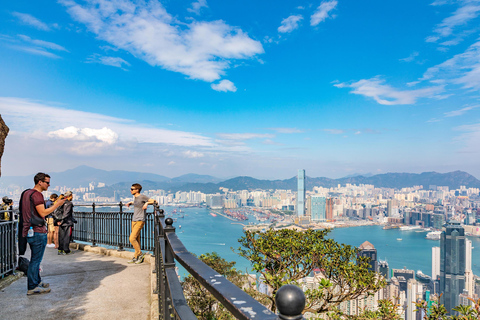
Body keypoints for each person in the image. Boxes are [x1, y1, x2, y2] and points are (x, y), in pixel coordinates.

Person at [20, 172, 65, 295]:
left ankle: (37, 281)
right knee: (36, 260)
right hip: (37, 231)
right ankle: (32, 286)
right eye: (47, 182)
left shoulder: (26, 193)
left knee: (35, 259)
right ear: (40, 182)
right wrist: (57, 204)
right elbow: (43, 213)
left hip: (28, 230)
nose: (49, 185)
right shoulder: (37, 195)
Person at [125, 183, 155, 264]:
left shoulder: (142, 196)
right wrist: (130, 202)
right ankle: (136, 256)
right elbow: (137, 202)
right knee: (136, 239)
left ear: (137, 190)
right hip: (134, 220)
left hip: (140, 220)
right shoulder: (135, 197)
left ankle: (140, 254)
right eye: (131, 189)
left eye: (132, 189)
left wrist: (147, 203)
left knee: (132, 238)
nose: (130, 190)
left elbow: (154, 201)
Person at [57, 191, 75, 255]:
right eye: (72, 195)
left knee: (61, 236)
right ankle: (66, 250)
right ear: (69, 196)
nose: (72, 197)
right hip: (67, 222)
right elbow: (66, 213)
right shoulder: (69, 203)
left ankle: (60, 249)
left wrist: (58, 221)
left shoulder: (61, 202)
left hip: (60, 222)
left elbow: (57, 211)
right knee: (67, 236)